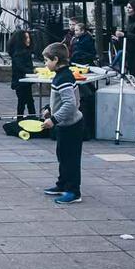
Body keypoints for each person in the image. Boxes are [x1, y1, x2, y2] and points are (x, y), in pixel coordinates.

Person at [41, 42, 84, 205]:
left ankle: (73, 191)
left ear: (56, 59)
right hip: (65, 124)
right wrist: (49, 109)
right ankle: (62, 184)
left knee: (71, 159)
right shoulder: (61, 75)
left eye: (46, 60)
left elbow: (70, 104)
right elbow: (60, 100)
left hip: (72, 125)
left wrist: (53, 119)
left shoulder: (63, 78)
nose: (45, 64)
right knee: (63, 156)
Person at [113, 0, 135, 76]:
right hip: (131, 50)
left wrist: (123, 34)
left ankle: (114, 66)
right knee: (131, 71)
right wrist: (120, 38)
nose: (127, 10)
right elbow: (130, 34)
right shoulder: (130, 21)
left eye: (130, 8)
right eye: (127, 7)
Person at [9, 30, 37, 119]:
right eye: (26, 38)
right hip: (20, 82)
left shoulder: (24, 52)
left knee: (27, 101)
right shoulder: (18, 54)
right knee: (24, 101)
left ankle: (29, 117)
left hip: (24, 81)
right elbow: (21, 67)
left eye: (29, 37)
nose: (28, 40)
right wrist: (32, 72)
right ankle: (26, 118)